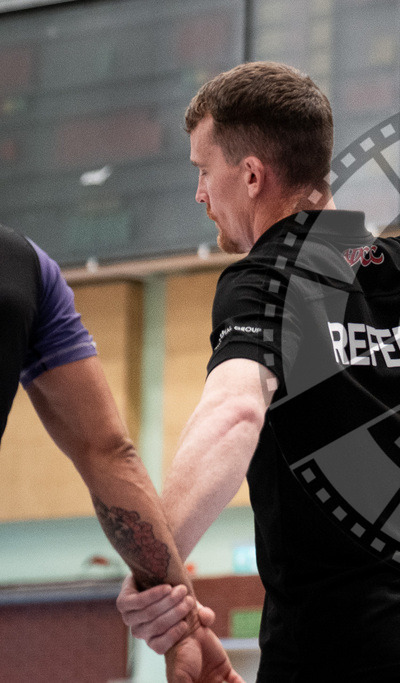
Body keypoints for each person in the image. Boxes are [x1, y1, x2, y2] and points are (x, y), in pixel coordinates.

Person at [115, 61, 400, 680]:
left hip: (329, 646)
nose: (200, 194)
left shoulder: (262, 278)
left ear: (253, 175)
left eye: (204, 172)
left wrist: (154, 568)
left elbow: (235, 410)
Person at [0, 224, 241, 683]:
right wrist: (182, 628)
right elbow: (106, 453)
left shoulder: (29, 273)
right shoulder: (25, 267)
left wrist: (182, 622)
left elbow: (106, 452)